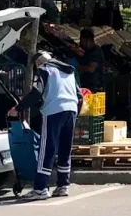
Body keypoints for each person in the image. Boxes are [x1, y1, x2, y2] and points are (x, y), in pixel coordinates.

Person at [14, 51, 83, 200]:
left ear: (39, 62)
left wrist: (18, 108)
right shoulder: (69, 70)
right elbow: (80, 96)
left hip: (54, 111)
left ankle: (40, 189)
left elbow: (36, 93)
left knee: (47, 148)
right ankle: (63, 185)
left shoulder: (44, 69)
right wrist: (76, 112)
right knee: (65, 148)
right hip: (71, 109)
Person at [78, 28, 105, 93]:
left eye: (82, 41)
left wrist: (78, 67)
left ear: (87, 40)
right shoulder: (88, 51)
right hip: (88, 84)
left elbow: (91, 69)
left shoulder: (95, 51)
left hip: (94, 86)